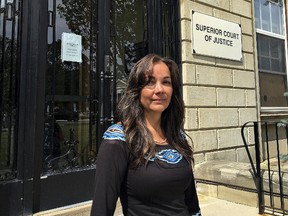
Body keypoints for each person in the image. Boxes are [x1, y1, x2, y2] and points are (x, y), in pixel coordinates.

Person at [90, 53, 201, 216]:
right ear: (137, 89)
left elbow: (191, 200)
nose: (160, 89)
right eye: (150, 82)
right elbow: (101, 209)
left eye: (166, 82)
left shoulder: (177, 135)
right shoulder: (118, 140)